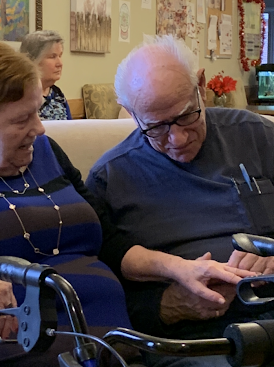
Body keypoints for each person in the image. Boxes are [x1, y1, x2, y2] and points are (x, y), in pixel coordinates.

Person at [85, 34, 274, 367]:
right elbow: (106, 294)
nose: (178, 138)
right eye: (156, 127)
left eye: (187, 116)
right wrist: (168, 306)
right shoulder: (110, 179)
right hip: (196, 338)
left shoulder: (256, 134)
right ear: (131, 113)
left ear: (200, 85)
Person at [0, 40, 131, 367]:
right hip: (28, 346)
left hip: (117, 341)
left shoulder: (46, 150)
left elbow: (109, 236)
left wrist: (175, 269)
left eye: (38, 110)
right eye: (22, 119)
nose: (40, 128)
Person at [20, 30, 72, 120]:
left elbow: (72, 129)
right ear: (32, 60)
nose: (60, 63)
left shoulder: (57, 94)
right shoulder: (22, 95)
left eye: (60, 56)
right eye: (52, 57)